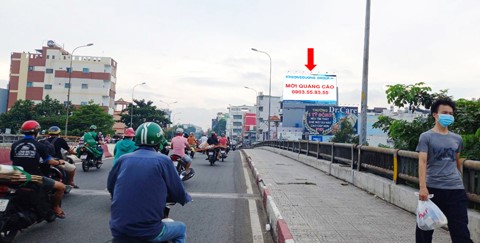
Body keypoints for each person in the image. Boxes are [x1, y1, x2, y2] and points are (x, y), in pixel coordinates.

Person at [108, 122, 191, 243]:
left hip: (118, 229)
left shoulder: (123, 159)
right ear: (159, 140)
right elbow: (177, 190)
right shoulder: (163, 160)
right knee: (181, 229)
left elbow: (111, 187)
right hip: (149, 232)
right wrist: (184, 198)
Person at [415, 98, 472, 243]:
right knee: (424, 231)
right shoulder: (426, 137)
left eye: (451, 113)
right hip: (433, 189)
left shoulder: (457, 139)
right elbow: (422, 161)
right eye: (444, 112)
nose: (448, 115)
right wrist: (423, 188)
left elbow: (457, 161)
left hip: (455, 189)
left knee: (461, 232)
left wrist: (462, 183)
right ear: (435, 114)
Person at [11, 120, 67, 219]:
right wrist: (59, 162)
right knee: (61, 187)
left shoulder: (15, 144)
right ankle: (56, 207)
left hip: (16, 175)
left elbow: (13, 159)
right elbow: (49, 161)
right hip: (33, 176)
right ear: (37, 131)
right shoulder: (40, 145)